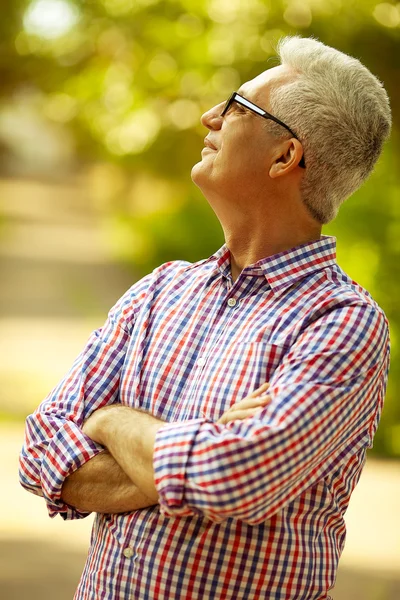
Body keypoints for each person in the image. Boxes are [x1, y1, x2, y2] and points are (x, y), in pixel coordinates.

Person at [19, 36, 391, 600]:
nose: (208, 116)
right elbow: (41, 451)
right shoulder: (162, 290)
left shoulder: (342, 323)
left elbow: (232, 479)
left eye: (237, 106)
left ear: (285, 157)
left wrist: (112, 423)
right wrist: (202, 445)